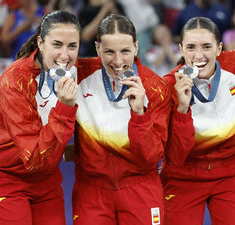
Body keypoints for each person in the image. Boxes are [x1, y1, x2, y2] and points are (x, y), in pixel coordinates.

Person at [0, 10, 79, 225]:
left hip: (46, 179)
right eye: (57, 45)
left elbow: (114, 61)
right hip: (5, 178)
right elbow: (33, 158)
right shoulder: (15, 80)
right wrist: (65, 108)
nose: (65, 56)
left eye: (72, 46)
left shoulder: (76, 70)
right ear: (40, 43)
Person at [72, 14, 171, 225]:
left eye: (125, 51)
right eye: (109, 52)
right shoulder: (78, 76)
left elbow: (151, 158)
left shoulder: (156, 88)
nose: (118, 61)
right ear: (97, 48)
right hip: (92, 190)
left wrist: (139, 115)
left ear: (136, 47)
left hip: (140, 187)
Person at [161, 17, 235, 225]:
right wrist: (183, 109)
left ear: (220, 48)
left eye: (207, 46)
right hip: (183, 176)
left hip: (232, 175)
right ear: (181, 49)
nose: (199, 55)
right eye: (191, 47)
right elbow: (175, 155)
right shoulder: (168, 86)